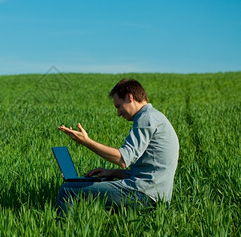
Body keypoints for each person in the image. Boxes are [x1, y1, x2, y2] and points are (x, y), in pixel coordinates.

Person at [56, 79, 179, 216]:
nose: (119, 113)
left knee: (68, 190)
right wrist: (112, 173)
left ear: (130, 97)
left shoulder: (146, 118)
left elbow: (122, 159)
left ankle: (61, 235)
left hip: (144, 196)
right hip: (155, 196)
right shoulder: (156, 117)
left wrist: (86, 141)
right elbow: (147, 173)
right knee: (92, 186)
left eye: (119, 106)